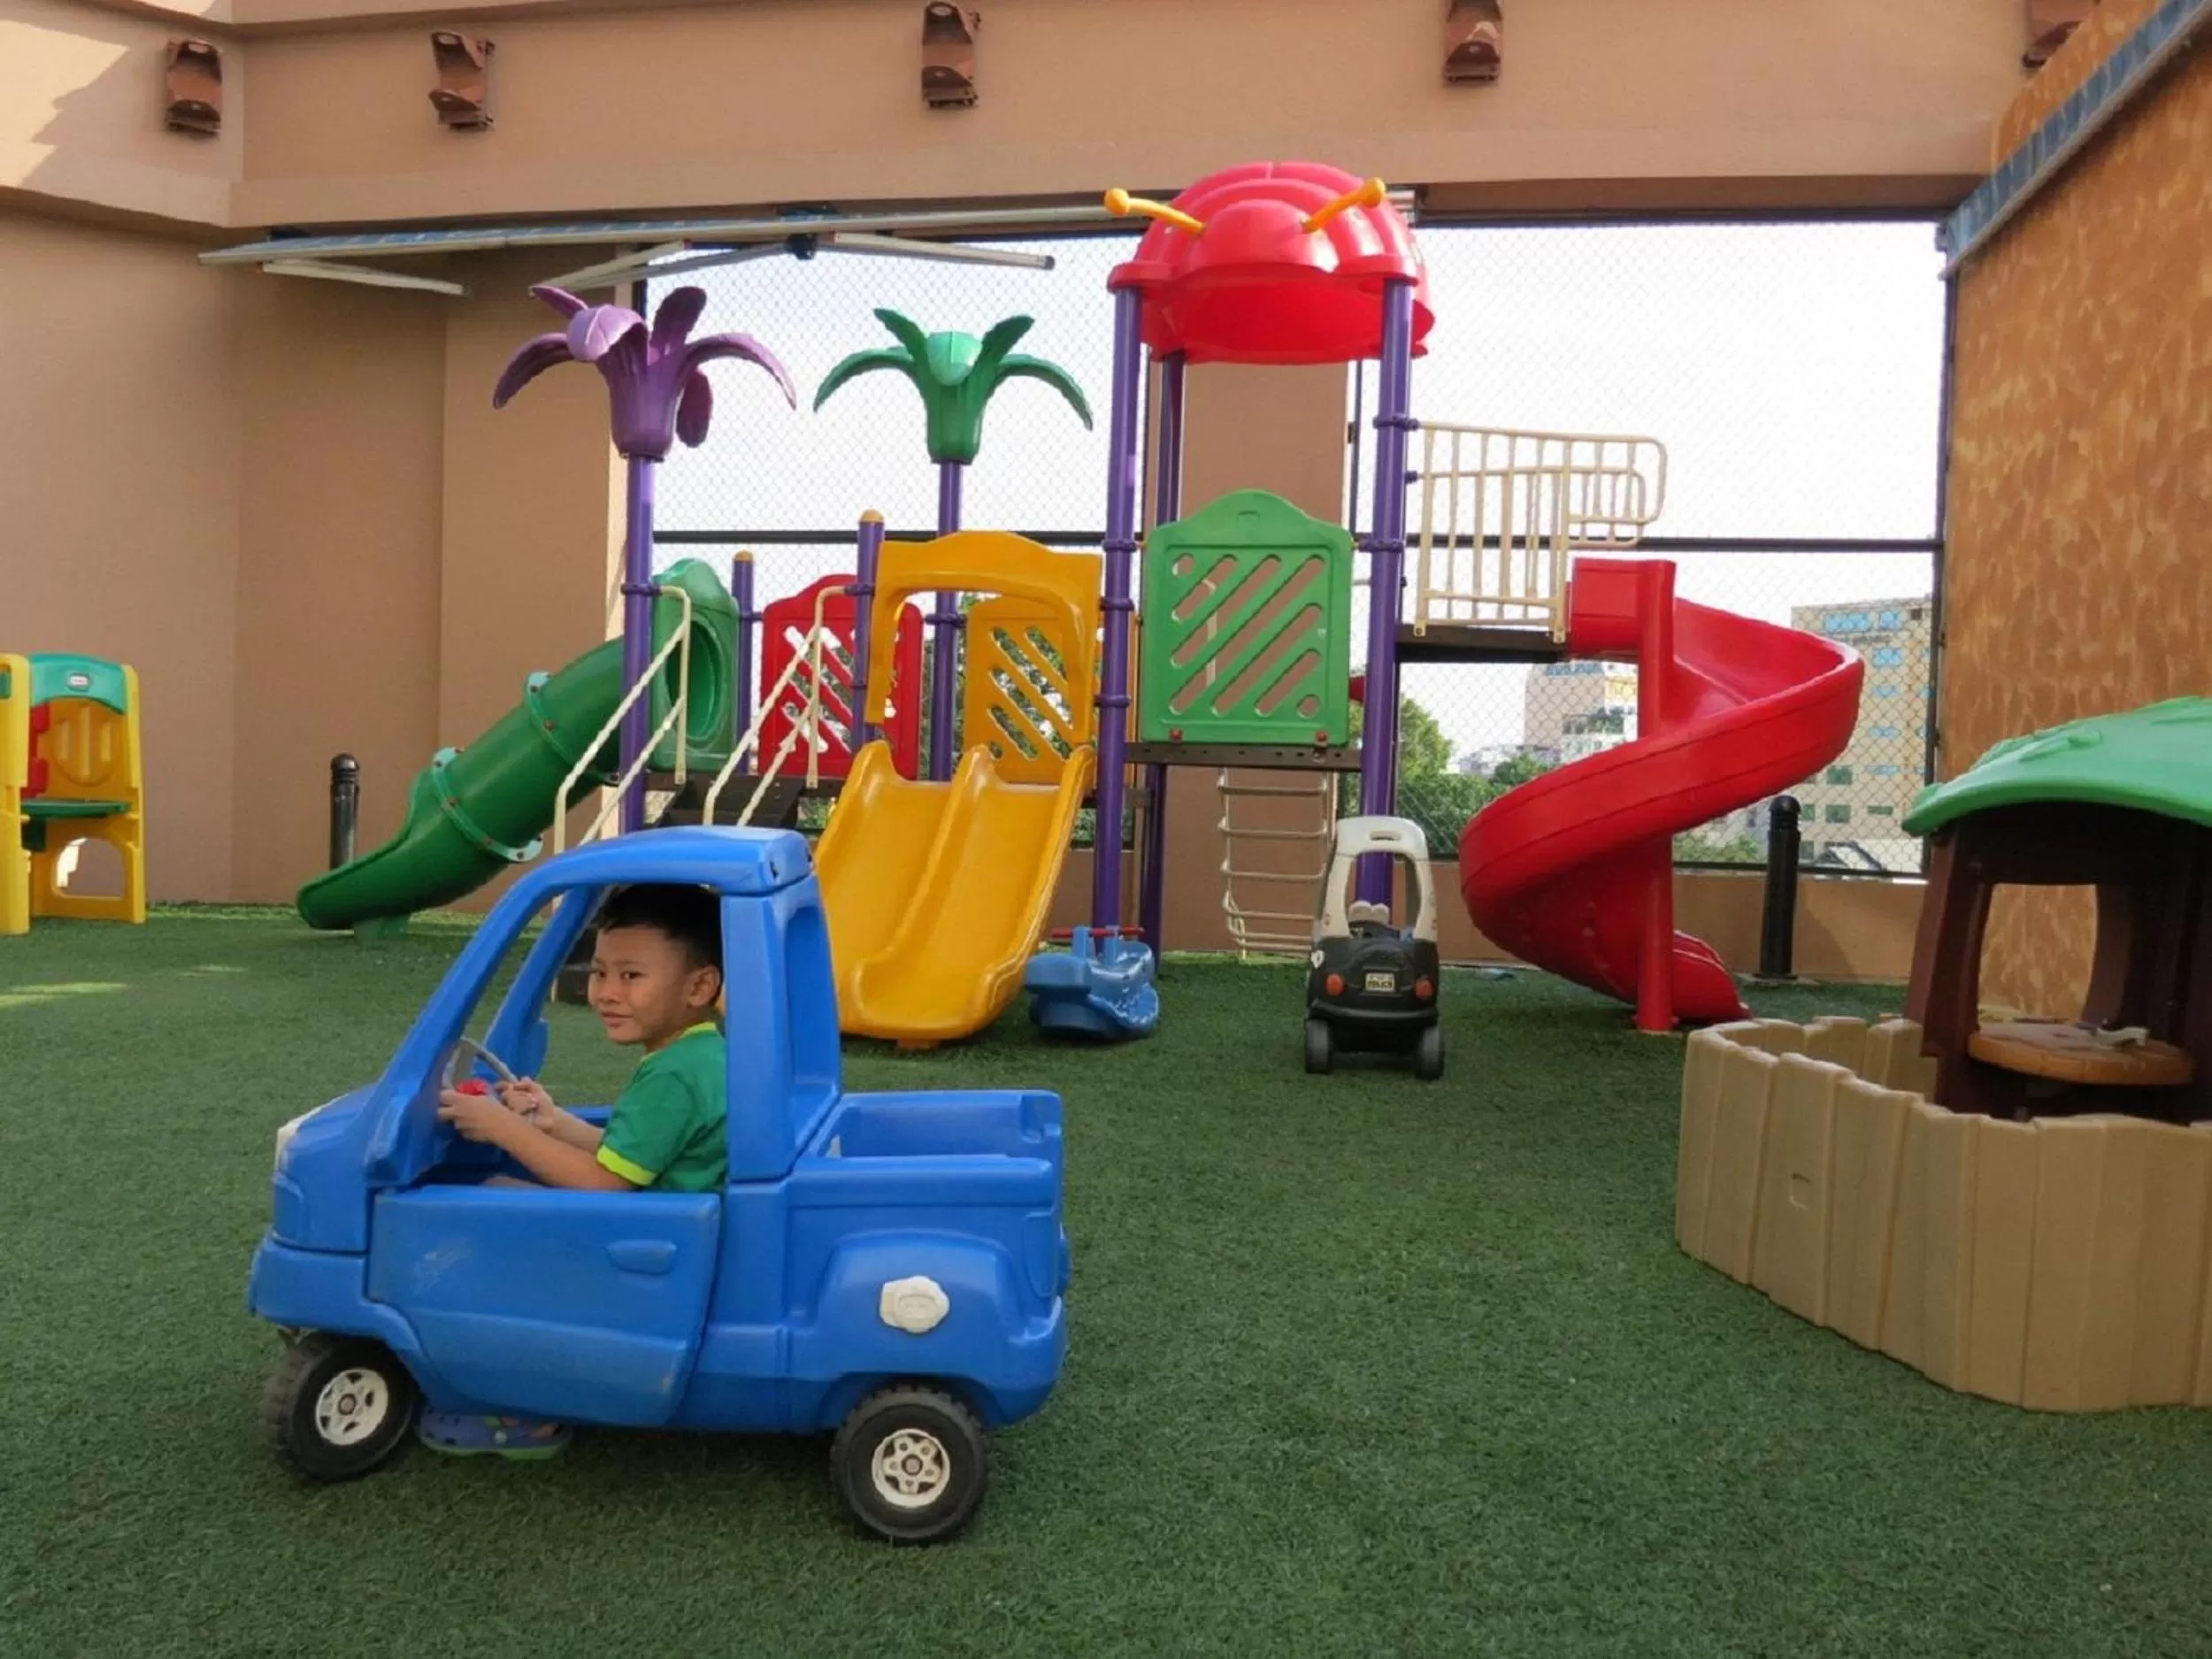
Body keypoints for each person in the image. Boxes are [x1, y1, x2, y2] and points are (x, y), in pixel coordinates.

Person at [435, 881, 729, 1193]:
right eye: (599, 973)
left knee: (493, 1190)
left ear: (699, 987)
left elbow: (605, 1183)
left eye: (630, 975)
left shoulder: (675, 1074)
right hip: (667, 1223)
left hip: (653, 1233)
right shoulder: (702, 1053)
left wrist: (503, 1127)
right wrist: (555, 1123)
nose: (607, 993)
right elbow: (636, 1155)